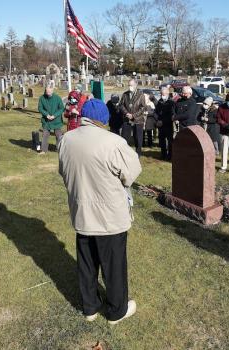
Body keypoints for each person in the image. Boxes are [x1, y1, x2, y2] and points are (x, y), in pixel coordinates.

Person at [58, 102, 141, 325]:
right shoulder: (113, 142)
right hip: (109, 217)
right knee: (114, 266)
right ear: (103, 120)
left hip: (82, 212)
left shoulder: (67, 140)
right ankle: (116, 311)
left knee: (86, 262)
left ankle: (90, 308)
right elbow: (132, 173)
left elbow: (63, 171)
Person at [120, 80, 147, 156]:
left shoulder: (141, 95)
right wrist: (127, 113)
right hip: (127, 119)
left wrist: (133, 115)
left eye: (131, 85)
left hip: (138, 120)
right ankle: (125, 153)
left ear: (135, 85)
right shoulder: (125, 94)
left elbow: (143, 107)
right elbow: (121, 105)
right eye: (128, 85)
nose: (129, 87)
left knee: (138, 138)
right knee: (125, 137)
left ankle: (138, 153)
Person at [38, 86, 65, 154]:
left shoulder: (57, 98)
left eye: (49, 92)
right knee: (45, 135)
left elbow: (61, 108)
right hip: (46, 120)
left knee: (58, 135)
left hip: (56, 120)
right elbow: (40, 108)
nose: (48, 93)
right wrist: (46, 115)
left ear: (52, 91)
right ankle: (43, 150)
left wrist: (54, 115)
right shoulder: (42, 98)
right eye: (47, 92)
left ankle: (59, 149)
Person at [155, 87, 175, 160]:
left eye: (163, 94)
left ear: (167, 93)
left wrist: (163, 121)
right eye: (161, 94)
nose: (162, 95)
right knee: (162, 140)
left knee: (170, 141)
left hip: (168, 124)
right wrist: (157, 120)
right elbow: (156, 112)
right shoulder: (159, 101)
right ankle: (163, 154)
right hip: (160, 125)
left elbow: (172, 114)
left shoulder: (171, 102)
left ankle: (170, 155)